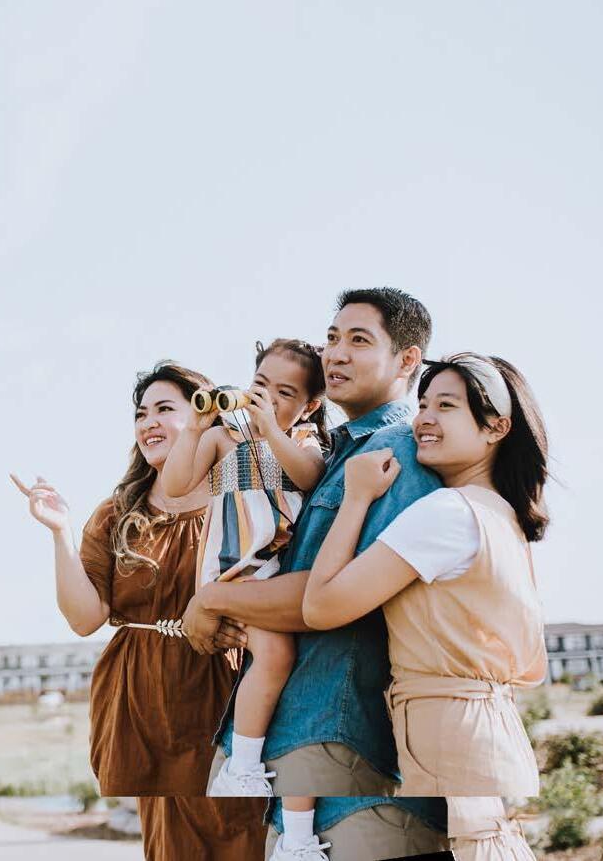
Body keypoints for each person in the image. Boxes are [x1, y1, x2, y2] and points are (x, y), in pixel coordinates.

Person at [182, 288, 451, 859]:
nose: (337, 353)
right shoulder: (336, 456)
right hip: (298, 740)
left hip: (334, 747)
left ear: (407, 359)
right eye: (332, 338)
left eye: (359, 340)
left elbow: (330, 596)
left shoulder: (395, 453)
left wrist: (209, 601)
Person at [11, 361, 267, 861]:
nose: (148, 422)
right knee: (172, 845)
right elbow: (85, 618)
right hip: (144, 699)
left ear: (202, 414)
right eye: (140, 414)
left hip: (226, 691)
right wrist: (60, 532)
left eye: (164, 409)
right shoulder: (119, 510)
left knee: (245, 834)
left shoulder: (241, 493)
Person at [302, 353, 548, 858]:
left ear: (497, 427)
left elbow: (321, 606)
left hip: (453, 737)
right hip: (492, 730)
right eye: (423, 404)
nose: (425, 419)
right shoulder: (501, 518)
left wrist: (356, 497)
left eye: (446, 406)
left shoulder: (447, 514)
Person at [163, 340, 328, 858]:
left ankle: (287, 822)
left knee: (287, 670)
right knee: (275, 653)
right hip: (234, 572)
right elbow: (175, 485)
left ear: (310, 406)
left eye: (286, 393)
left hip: (276, 574)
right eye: (261, 385)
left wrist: (273, 430)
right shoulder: (223, 437)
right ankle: (244, 765)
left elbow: (309, 476)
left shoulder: (303, 442)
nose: (268, 399)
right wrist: (195, 429)